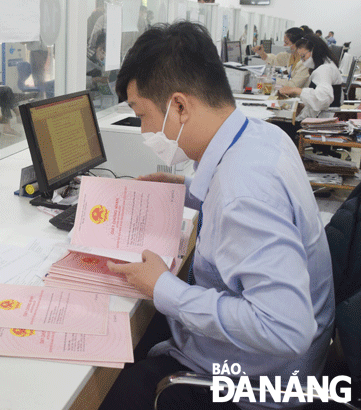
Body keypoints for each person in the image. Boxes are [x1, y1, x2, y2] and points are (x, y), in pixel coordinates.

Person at [99, 21, 334, 409]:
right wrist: (187, 192)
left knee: (111, 386)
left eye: (142, 115)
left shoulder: (244, 192)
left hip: (254, 383)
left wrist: (165, 289)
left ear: (179, 106)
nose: (143, 129)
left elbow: (287, 329)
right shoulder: (262, 136)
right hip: (273, 361)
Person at [279, 34, 343, 122]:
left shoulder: (324, 70)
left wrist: (296, 90)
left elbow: (323, 99)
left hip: (321, 122)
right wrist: (304, 105)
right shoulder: (327, 64)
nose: (302, 61)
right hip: (318, 117)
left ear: (314, 51)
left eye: (303, 56)